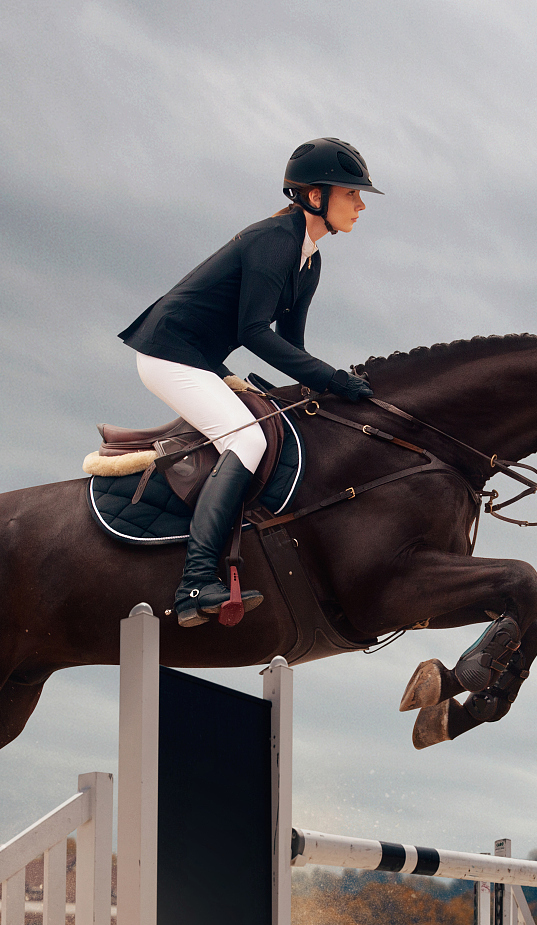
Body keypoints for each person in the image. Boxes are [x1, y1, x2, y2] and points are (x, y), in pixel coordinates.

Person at [119, 137, 380, 626]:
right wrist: (331, 379)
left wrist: (327, 389)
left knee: (273, 426)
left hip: (199, 359)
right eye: (352, 194)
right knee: (247, 437)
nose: (361, 205)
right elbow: (253, 332)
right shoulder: (274, 241)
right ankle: (196, 580)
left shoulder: (309, 259)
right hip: (168, 353)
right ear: (315, 197)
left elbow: (291, 347)